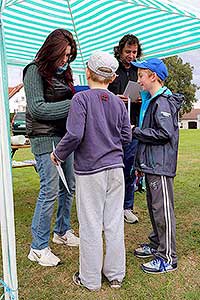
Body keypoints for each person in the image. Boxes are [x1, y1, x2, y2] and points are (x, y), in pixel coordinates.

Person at [51, 51, 132, 290]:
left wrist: (58, 154)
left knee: (90, 224)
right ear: (113, 76)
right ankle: (116, 275)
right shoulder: (118, 102)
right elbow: (126, 136)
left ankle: (90, 279)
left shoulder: (81, 99)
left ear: (87, 71)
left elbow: (75, 134)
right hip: (116, 168)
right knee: (114, 222)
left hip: (90, 170)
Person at [23, 28, 80, 267]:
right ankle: (38, 247)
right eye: (63, 55)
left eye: (69, 56)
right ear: (51, 51)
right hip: (44, 139)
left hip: (64, 137)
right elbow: (37, 109)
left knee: (70, 186)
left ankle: (62, 231)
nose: (66, 60)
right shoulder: (34, 71)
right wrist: (74, 105)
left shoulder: (64, 73)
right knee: (50, 190)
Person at [131, 58, 184, 273]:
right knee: (155, 209)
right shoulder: (152, 100)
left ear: (153, 76)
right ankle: (156, 244)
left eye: (141, 76)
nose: (138, 80)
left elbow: (164, 133)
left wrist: (134, 130)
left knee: (163, 211)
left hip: (160, 165)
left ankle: (168, 256)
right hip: (152, 164)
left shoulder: (163, 102)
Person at [108, 34, 143, 224]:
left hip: (133, 127)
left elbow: (146, 93)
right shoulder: (112, 69)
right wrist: (116, 97)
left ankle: (127, 207)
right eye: (128, 52)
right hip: (112, 127)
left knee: (129, 168)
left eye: (134, 52)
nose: (131, 55)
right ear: (120, 51)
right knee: (113, 168)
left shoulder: (139, 71)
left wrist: (139, 99)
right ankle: (111, 207)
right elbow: (103, 92)